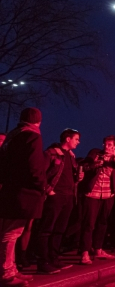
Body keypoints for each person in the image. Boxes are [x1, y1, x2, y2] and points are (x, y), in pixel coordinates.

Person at [0, 108, 45, 287]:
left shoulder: (12, 136)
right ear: (38, 121)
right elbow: (34, 166)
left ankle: (10, 269)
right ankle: (6, 272)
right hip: (24, 192)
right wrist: (41, 185)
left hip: (11, 189)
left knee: (9, 232)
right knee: (12, 233)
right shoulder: (32, 136)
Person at [37, 129, 82, 274]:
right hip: (55, 196)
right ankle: (43, 262)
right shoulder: (52, 153)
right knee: (46, 229)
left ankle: (54, 258)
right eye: (76, 139)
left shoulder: (71, 156)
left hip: (68, 196)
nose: (78, 142)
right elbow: (41, 173)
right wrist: (49, 190)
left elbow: (70, 175)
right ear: (68, 139)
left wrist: (78, 177)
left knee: (59, 230)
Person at [78, 136, 115, 264]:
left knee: (103, 223)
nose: (106, 147)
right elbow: (87, 164)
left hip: (108, 194)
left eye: (110, 145)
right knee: (89, 224)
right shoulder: (95, 153)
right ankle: (85, 252)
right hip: (93, 193)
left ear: (114, 146)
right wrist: (97, 163)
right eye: (105, 144)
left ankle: (98, 249)